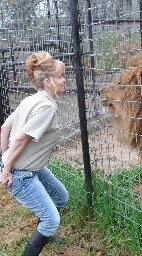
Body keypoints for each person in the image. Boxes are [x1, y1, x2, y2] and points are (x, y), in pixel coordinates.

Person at [0, 51, 69, 255]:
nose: (64, 80)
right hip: (21, 174)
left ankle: (46, 232)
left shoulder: (30, 100)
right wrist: (7, 170)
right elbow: (20, 139)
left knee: (61, 197)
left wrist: (4, 159)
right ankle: (47, 228)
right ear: (48, 81)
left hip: (29, 168)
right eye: (60, 77)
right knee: (52, 219)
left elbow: (4, 129)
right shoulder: (46, 107)